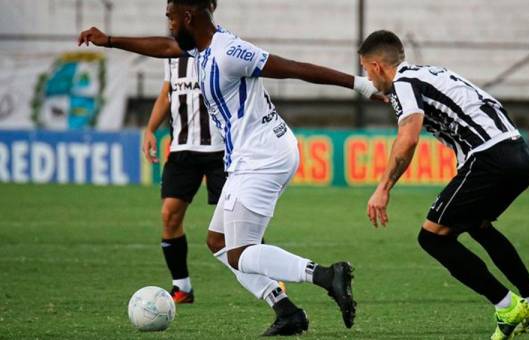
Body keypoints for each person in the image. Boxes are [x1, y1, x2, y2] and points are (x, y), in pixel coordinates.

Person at [78, 0, 383, 335]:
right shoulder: (200, 47)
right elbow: (166, 46)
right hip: (252, 157)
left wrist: (362, 85)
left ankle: (326, 275)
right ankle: (287, 311)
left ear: (188, 16)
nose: (167, 23)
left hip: (263, 157)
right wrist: (109, 40)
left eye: (170, 16)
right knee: (217, 241)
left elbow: (294, 68)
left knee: (240, 252)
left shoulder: (229, 52)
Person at [359, 30, 529, 340]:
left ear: (377, 66)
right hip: (518, 154)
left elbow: (408, 138)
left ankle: (507, 305)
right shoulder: (427, 74)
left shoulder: (403, 85)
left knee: (432, 238)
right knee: (478, 225)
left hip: (489, 158)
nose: (367, 78)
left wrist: (383, 187)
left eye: (365, 71)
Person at [142, 0, 223, 304]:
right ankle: (182, 287)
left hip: (220, 150)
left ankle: (270, 280)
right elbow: (167, 91)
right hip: (183, 147)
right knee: (169, 216)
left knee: (237, 224)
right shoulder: (172, 52)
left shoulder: (218, 47)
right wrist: (150, 129)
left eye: (172, 14)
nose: (168, 19)